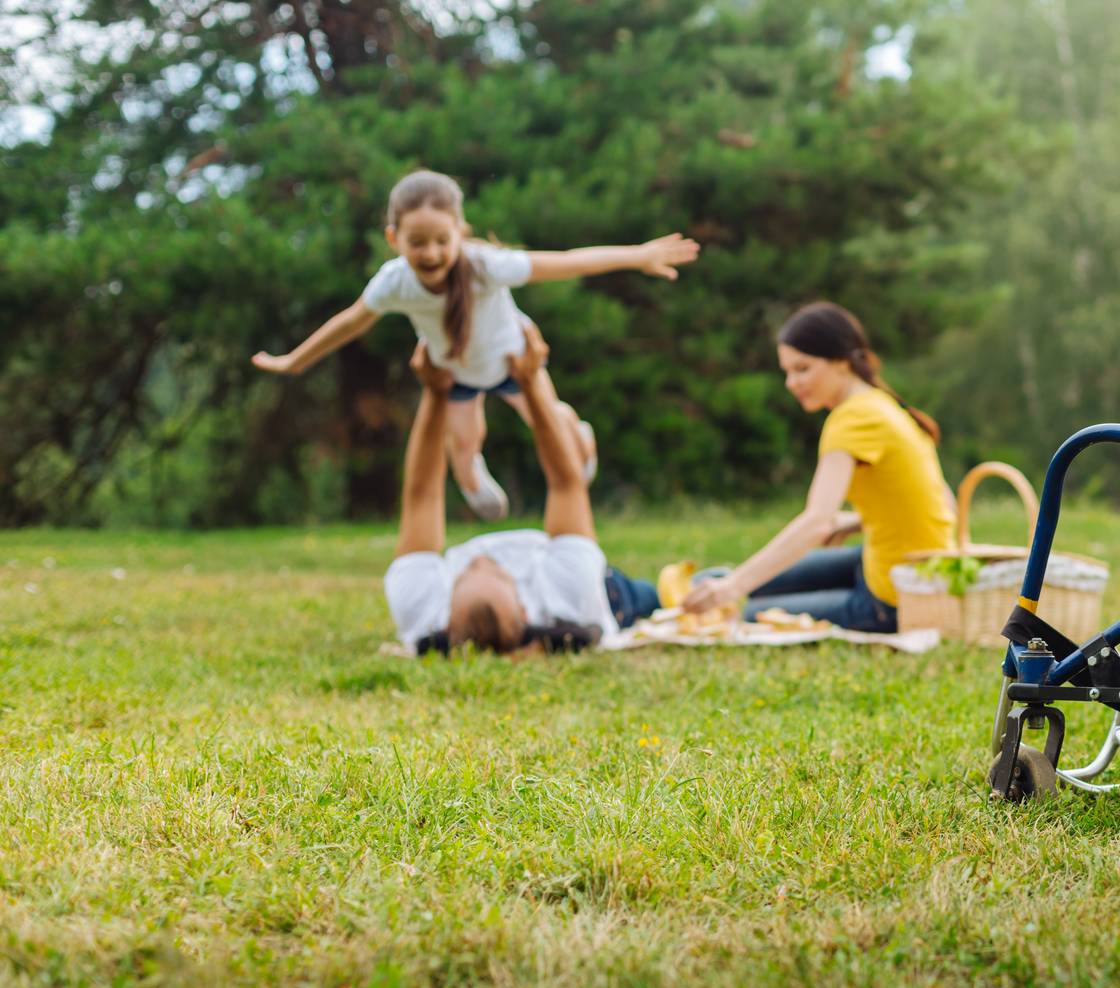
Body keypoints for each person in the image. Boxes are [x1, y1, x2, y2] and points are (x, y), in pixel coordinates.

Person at [251, 169, 699, 520]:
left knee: (561, 443)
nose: (430, 253)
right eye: (417, 242)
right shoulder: (394, 283)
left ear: (460, 234)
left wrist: (638, 256)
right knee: (464, 452)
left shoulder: (487, 266)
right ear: (394, 239)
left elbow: (566, 263)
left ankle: (579, 433)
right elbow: (349, 323)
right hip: (459, 374)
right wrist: (295, 361)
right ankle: (476, 485)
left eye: (442, 241)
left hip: (516, 364)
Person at [384, 320, 660, 656]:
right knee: (668, 597)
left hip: (548, 565)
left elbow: (421, 495)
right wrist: (531, 383)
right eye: (500, 574)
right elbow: (565, 483)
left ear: (446, 620)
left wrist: (435, 392)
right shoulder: (569, 595)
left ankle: (473, 460)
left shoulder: (420, 609)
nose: (483, 559)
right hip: (612, 594)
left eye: (468, 571)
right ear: (526, 611)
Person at [681, 302, 955, 633]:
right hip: (910, 574)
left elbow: (817, 522)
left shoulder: (853, 418)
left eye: (803, 369)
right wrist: (858, 520)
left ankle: (727, 588)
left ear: (841, 362)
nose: (791, 382)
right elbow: (942, 501)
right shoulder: (884, 405)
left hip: (893, 600)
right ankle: (723, 584)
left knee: (750, 611)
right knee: (708, 582)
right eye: (787, 371)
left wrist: (732, 588)